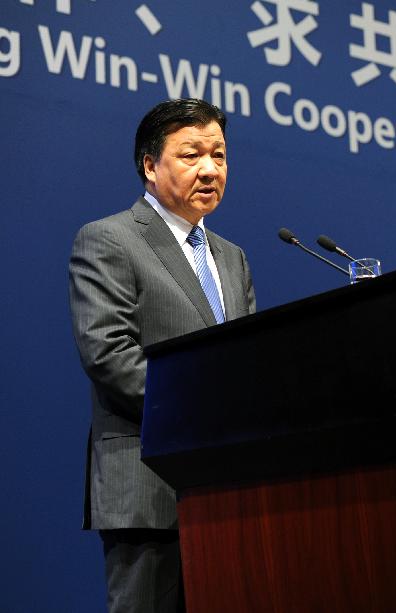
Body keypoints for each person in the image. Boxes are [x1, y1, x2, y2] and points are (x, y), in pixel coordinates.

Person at [69, 98, 256, 612]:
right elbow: (109, 354)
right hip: (149, 488)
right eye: (191, 154)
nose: (209, 169)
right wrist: (211, 417)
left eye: (218, 155)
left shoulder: (232, 258)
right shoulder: (110, 240)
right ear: (150, 166)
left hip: (229, 490)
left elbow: (247, 362)